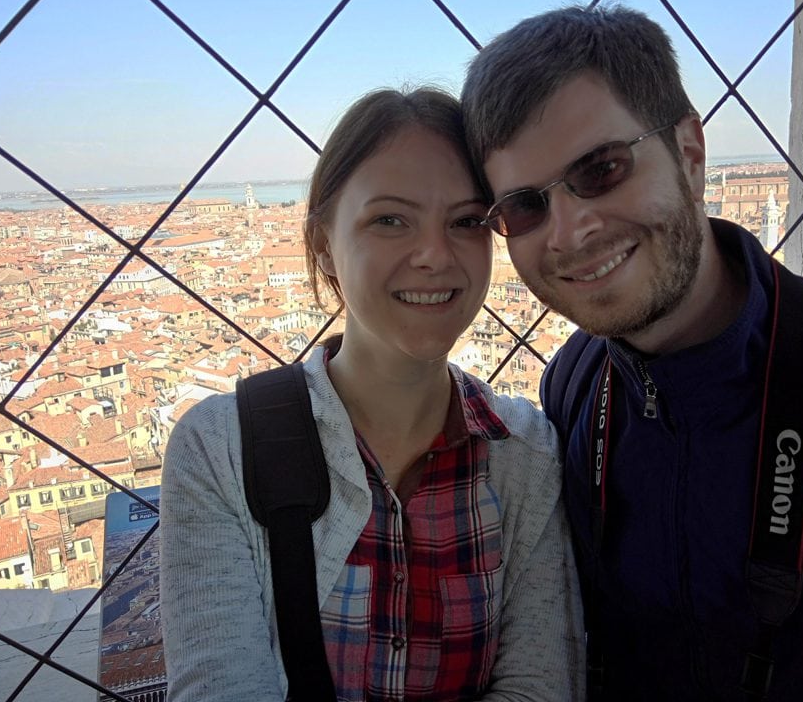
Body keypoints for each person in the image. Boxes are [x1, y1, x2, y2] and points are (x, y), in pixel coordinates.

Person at [461, 4, 803, 702]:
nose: (570, 231)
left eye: (602, 168)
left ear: (690, 153)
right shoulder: (574, 387)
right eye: (524, 207)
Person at [159, 87, 585, 702]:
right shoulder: (220, 450)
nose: (435, 255)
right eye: (389, 219)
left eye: (466, 221)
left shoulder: (527, 455)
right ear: (325, 246)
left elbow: (540, 685)